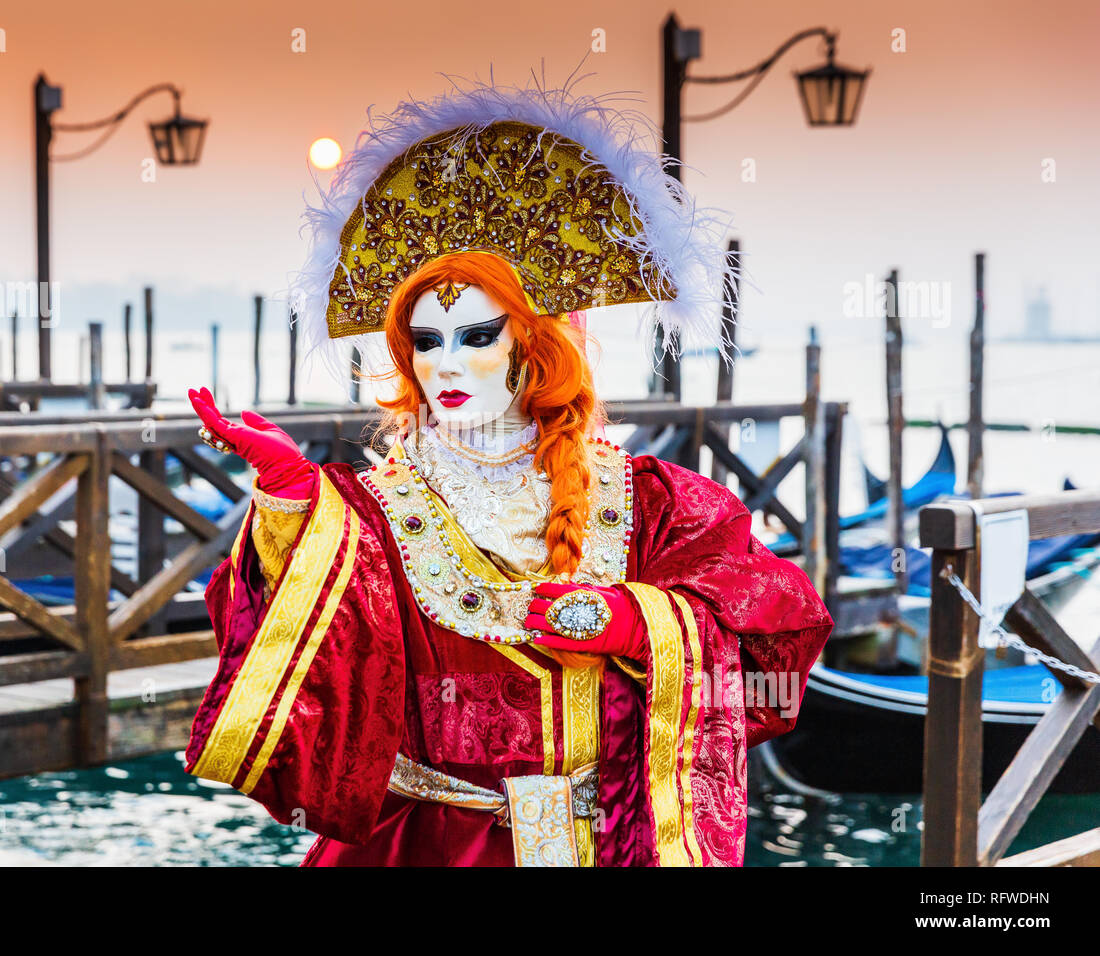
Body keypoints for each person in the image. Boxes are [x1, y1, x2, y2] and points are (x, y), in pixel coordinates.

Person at [184, 77, 832, 866]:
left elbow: (775, 635)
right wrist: (290, 500)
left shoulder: (652, 503)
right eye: (424, 342)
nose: (445, 362)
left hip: (604, 846)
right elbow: (314, 668)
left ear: (532, 346)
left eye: (474, 335)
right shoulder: (364, 515)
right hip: (423, 845)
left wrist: (638, 623)